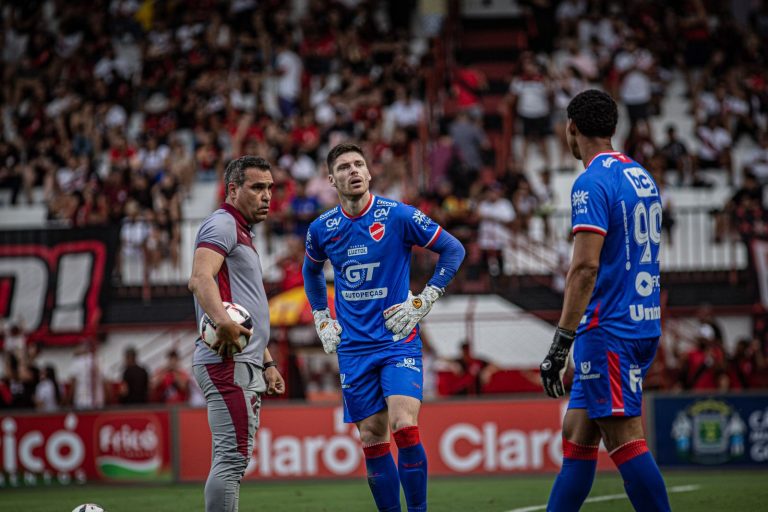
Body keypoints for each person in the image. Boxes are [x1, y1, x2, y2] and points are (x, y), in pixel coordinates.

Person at [303, 143, 465, 512]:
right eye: (344, 167)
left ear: (369, 172)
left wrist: (425, 298)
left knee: (403, 425)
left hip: (397, 339)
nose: (353, 171)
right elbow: (311, 271)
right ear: (331, 180)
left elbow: (453, 249)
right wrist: (321, 315)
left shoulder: (398, 215)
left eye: (359, 164)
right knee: (371, 437)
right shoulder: (322, 228)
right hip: (353, 348)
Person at [538, 90, 671, 512]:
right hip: (640, 320)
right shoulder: (639, 174)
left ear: (572, 128)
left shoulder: (591, 181)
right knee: (577, 434)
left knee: (624, 438)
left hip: (609, 328)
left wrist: (561, 342)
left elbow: (584, 268)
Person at [188, 155, 286, 512]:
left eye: (270, 188)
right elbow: (200, 278)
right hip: (227, 361)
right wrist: (221, 321)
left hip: (242, 360)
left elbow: (243, 310)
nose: (267, 196)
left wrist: (267, 361)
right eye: (257, 187)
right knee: (231, 458)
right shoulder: (223, 224)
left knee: (233, 458)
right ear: (233, 189)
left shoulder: (240, 230)